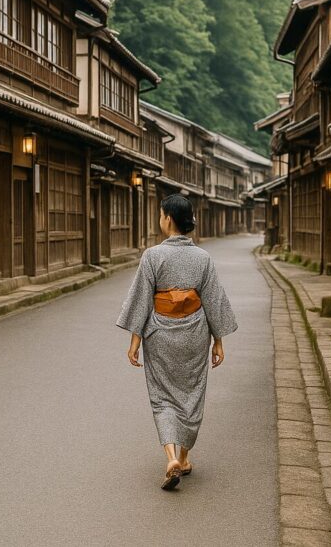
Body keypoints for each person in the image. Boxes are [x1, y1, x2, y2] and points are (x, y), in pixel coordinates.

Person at [116, 194, 237, 491]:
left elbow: (141, 301)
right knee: (191, 393)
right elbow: (213, 301)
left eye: (161, 215)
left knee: (162, 397)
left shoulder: (153, 256)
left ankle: (170, 456)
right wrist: (218, 341)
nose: (160, 219)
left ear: (168, 218)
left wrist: (135, 341)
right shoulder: (203, 258)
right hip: (195, 333)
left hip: (160, 334)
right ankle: (184, 457)